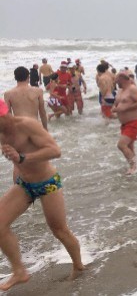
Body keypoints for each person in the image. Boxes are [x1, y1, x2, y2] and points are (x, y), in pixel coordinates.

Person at [0, 99, 84, 291]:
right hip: (24, 185)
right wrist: (17, 168)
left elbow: (55, 151)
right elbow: (16, 161)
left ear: (3, 114)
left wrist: (22, 157)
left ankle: (78, 265)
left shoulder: (27, 125)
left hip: (47, 183)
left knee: (59, 230)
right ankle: (19, 271)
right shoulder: (2, 132)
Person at [111, 72, 137, 174]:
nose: (115, 82)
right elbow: (116, 104)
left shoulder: (132, 89)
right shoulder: (121, 91)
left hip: (134, 122)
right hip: (124, 124)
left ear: (122, 79)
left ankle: (133, 167)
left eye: (116, 80)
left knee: (121, 145)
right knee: (129, 146)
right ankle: (135, 165)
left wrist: (126, 108)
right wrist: (114, 108)